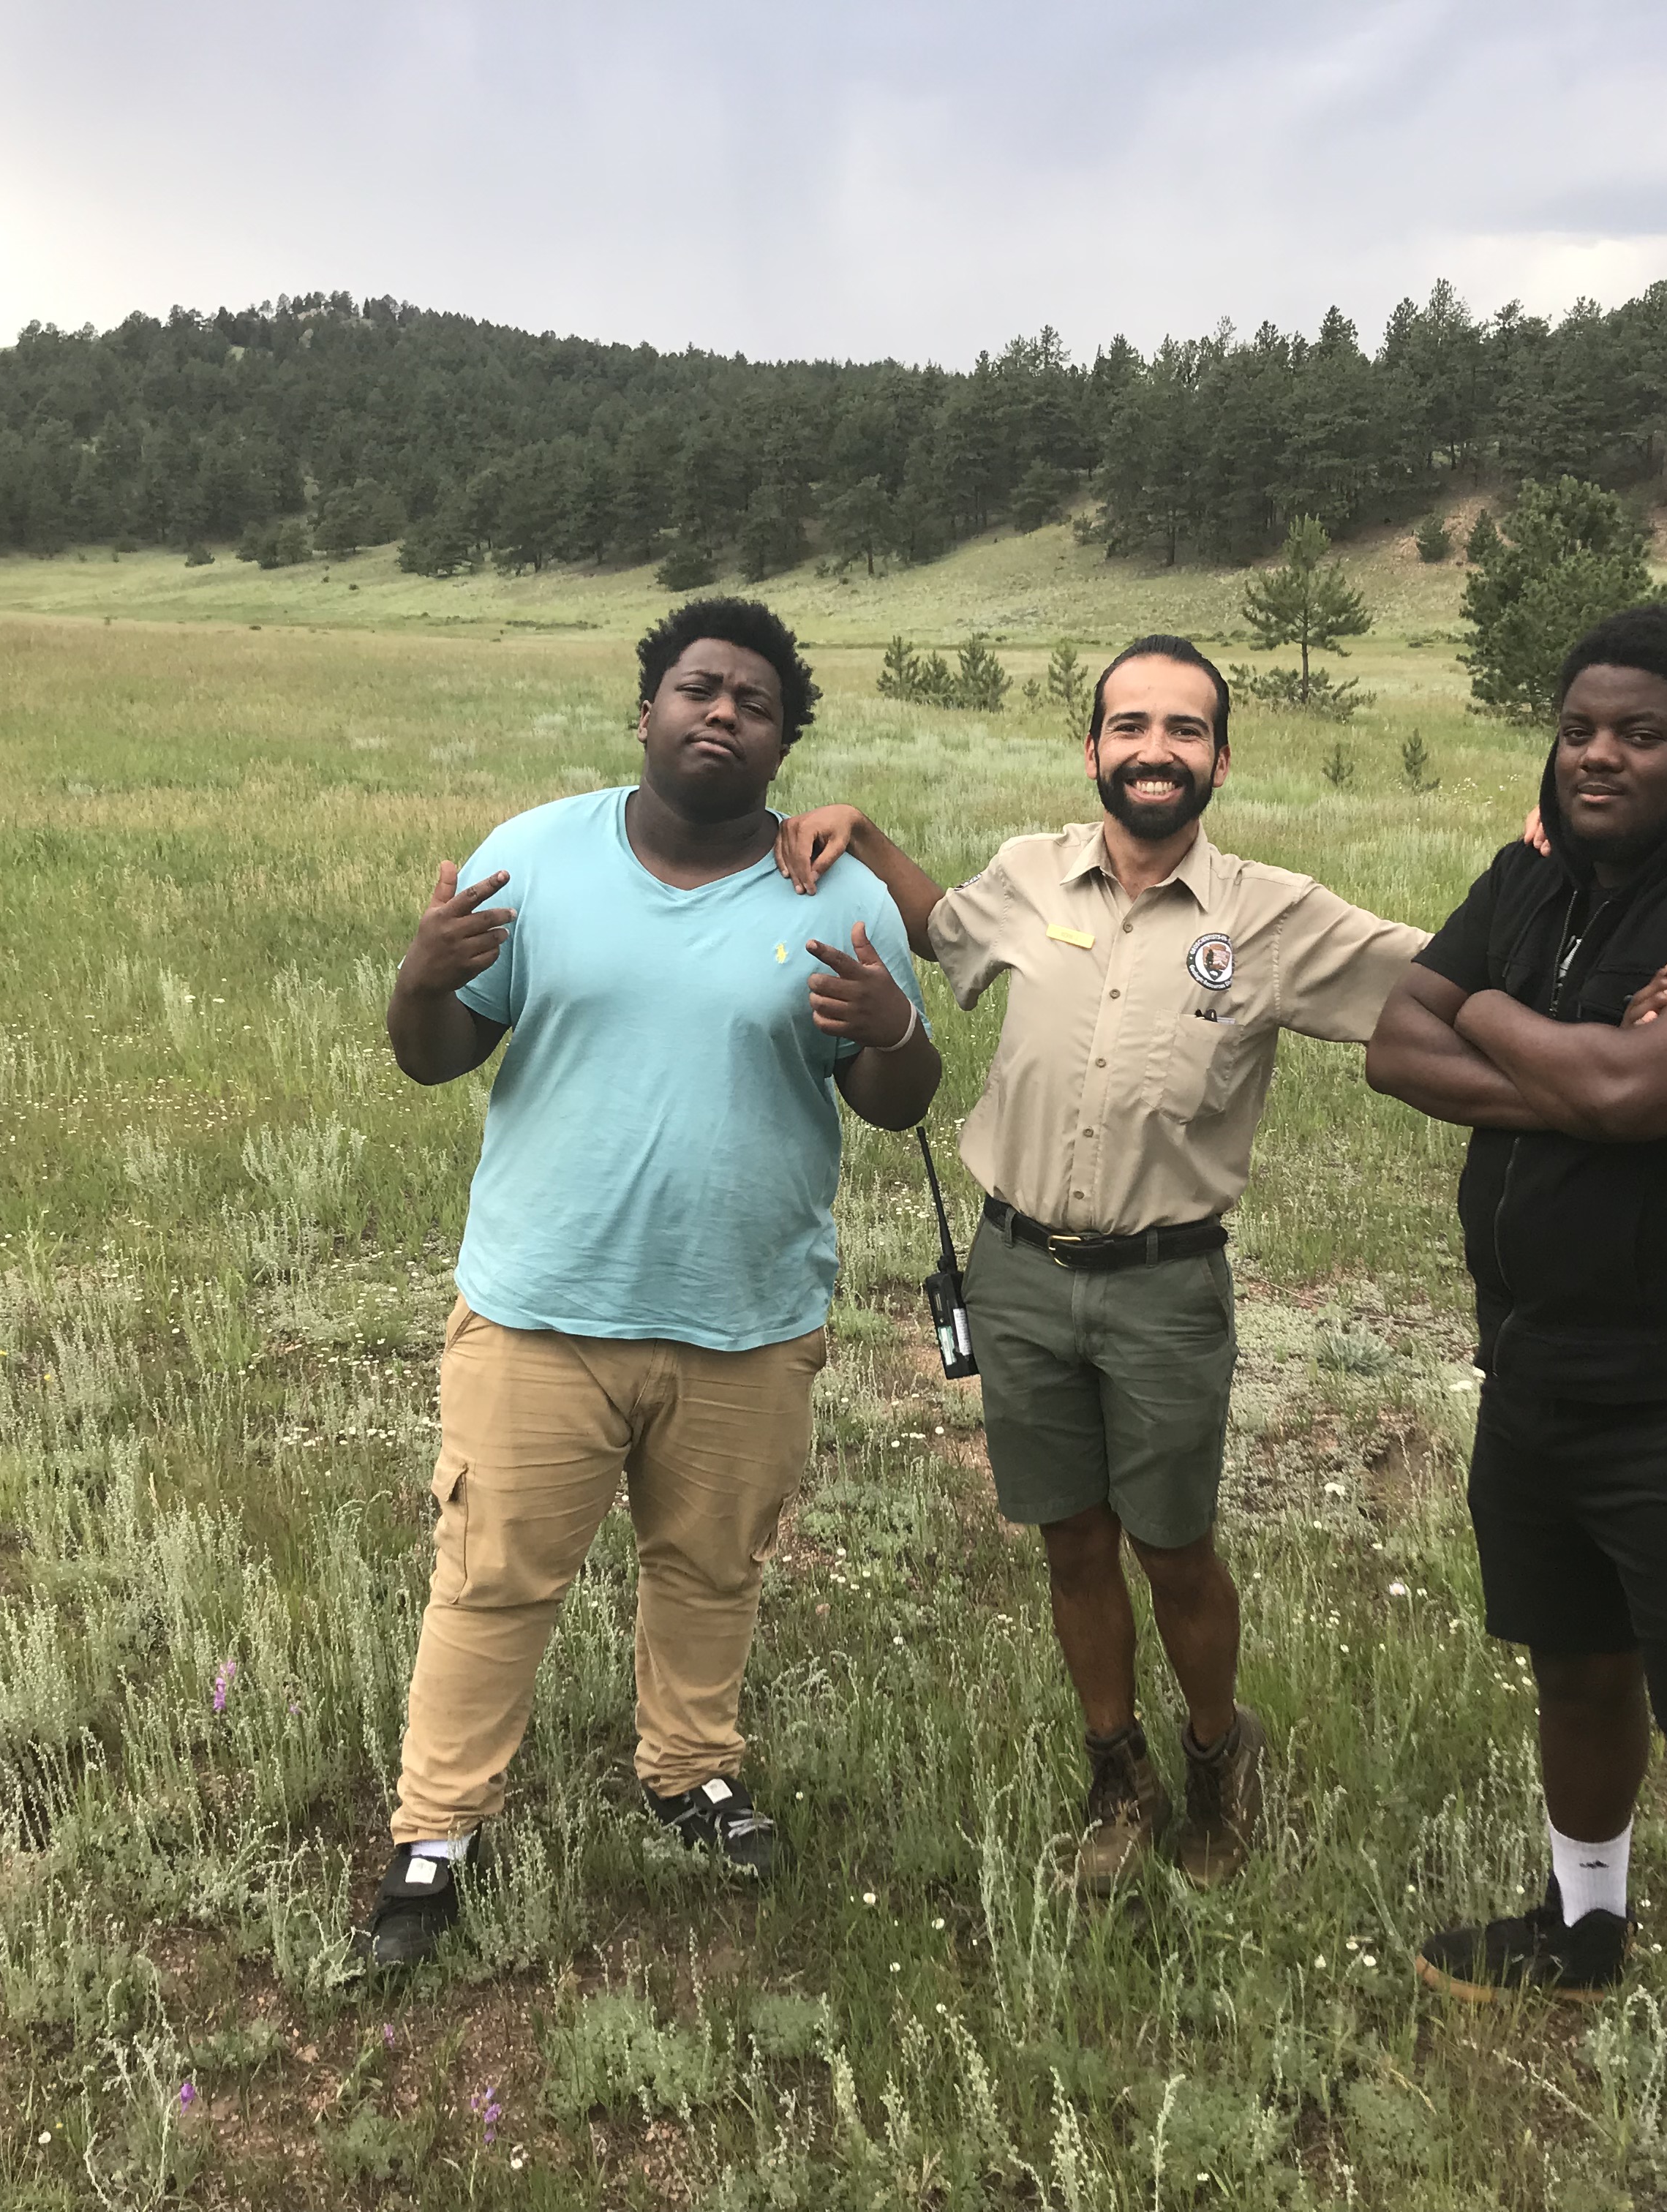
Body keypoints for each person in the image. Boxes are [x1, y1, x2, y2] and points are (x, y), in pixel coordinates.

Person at [776, 636, 1426, 1892]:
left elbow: (1433, 977)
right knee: (1071, 1540)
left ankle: (1217, 1754)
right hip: (1016, 1271)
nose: (1154, 751)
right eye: (1130, 726)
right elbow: (941, 929)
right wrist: (864, 833)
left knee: (1174, 1549)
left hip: (1166, 1286)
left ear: (1220, 760)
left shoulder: (1273, 916)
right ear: (1093, 751)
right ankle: (1116, 1772)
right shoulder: (1031, 873)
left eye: (1185, 730)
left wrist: (1572, 927)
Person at [1364, 603, 1667, 2211]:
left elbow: (1643, 1090)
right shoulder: (1536, 883)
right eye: (1579, 728)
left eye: (1642, 733)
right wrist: (1572, 1049)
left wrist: (1507, 1022)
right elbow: (1393, 1044)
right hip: (1538, 1370)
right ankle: (1581, 1929)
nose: (1599, 756)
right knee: (1576, 1671)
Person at [365, 597, 940, 1971]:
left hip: (747, 1314)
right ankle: (437, 1828)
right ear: (646, 712)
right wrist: (422, 978)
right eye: (698, 688)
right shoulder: (533, 859)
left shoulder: (838, 894)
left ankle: (691, 1773)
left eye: (756, 702)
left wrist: (893, 1028)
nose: (723, 711)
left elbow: (898, 1101)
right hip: (542, 1308)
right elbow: (433, 1059)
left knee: (711, 1567)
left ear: (784, 743)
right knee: (492, 1576)